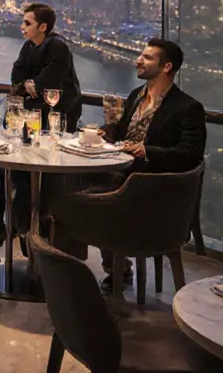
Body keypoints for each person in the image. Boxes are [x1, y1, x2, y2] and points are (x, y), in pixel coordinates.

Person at [52, 38, 206, 292]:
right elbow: (122, 133)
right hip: (121, 174)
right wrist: (103, 132)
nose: (138, 60)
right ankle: (72, 264)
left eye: (147, 58)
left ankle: (104, 269)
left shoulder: (188, 108)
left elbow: (191, 154)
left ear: (167, 67)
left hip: (150, 188)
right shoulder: (137, 95)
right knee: (64, 184)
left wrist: (147, 151)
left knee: (76, 198)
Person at [0, 3, 82, 242]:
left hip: (57, 119)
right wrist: (28, 86)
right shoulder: (28, 46)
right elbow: (16, 77)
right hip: (33, 117)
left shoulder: (58, 47)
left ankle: (33, 228)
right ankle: (22, 226)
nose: (22, 27)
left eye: (27, 23)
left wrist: (30, 86)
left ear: (42, 26)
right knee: (18, 169)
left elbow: (48, 85)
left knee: (44, 173)